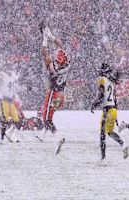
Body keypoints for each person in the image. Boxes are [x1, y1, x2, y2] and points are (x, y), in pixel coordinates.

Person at [40, 23, 70, 154]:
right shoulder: (67, 61)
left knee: (47, 119)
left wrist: (45, 38)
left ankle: (58, 137)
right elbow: (60, 46)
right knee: (46, 114)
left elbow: (44, 54)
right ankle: (42, 135)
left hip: (53, 94)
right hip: (61, 95)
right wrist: (50, 35)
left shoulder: (54, 67)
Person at [91, 63, 128, 160]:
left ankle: (103, 157)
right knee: (110, 132)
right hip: (113, 109)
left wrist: (94, 104)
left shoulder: (102, 79)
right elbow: (114, 99)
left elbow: (101, 95)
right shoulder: (112, 82)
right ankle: (123, 144)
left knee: (102, 134)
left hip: (107, 110)